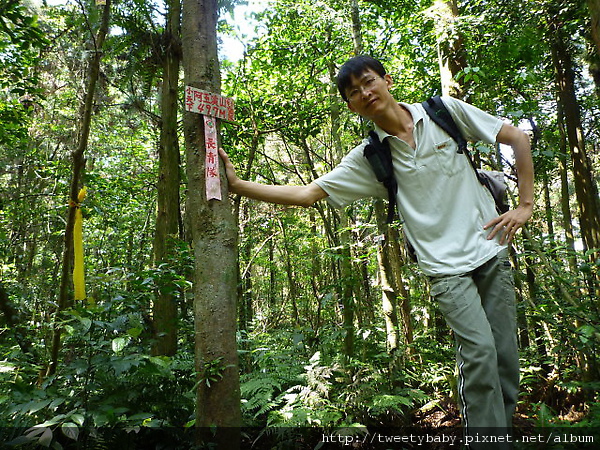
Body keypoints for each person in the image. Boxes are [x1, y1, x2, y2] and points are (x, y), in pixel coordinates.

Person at [219, 55, 534, 448]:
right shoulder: (370, 157)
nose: (365, 93)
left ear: (386, 80)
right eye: (354, 92)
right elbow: (307, 194)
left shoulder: (443, 112)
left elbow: (518, 138)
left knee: (505, 357)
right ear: (351, 106)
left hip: (491, 249)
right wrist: (236, 185)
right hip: (444, 269)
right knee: (481, 357)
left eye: (368, 82)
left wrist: (524, 206)